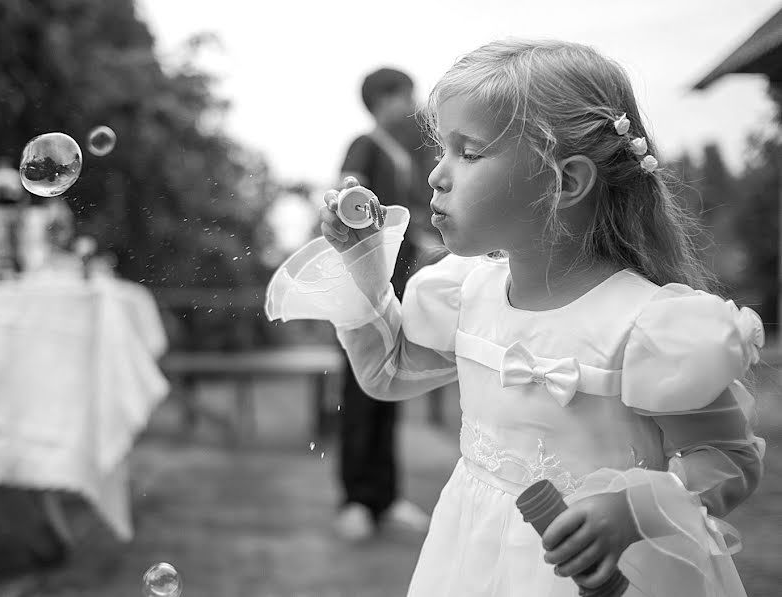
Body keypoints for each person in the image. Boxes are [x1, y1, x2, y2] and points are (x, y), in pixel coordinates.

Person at [266, 39, 765, 596]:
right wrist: (362, 263)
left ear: (565, 182)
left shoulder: (651, 325)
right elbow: (385, 374)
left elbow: (726, 458)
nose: (437, 175)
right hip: (472, 559)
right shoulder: (465, 292)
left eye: (469, 153)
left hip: (607, 573)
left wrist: (635, 509)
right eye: (441, 150)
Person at [333, 67, 441, 542]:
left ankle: (387, 496)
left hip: (398, 287)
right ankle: (355, 499)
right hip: (361, 288)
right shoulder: (366, 145)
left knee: (389, 385)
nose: (413, 106)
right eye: (405, 97)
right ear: (383, 99)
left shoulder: (410, 156)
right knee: (359, 392)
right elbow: (347, 197)